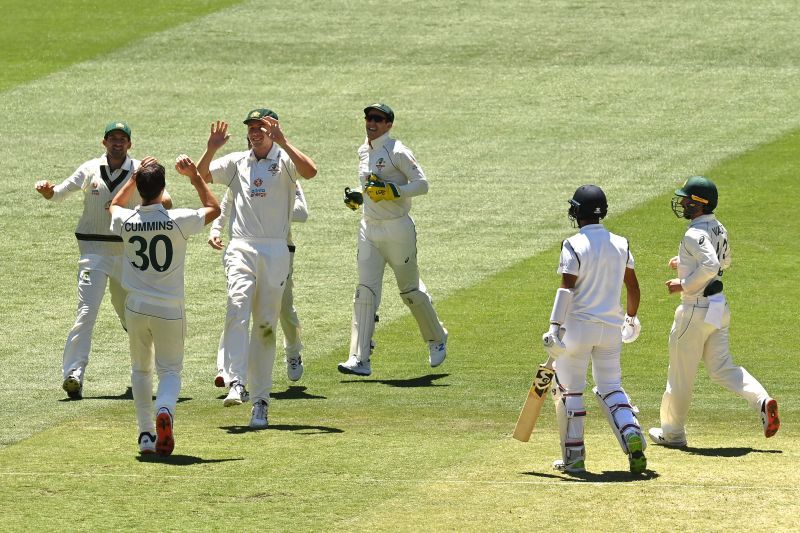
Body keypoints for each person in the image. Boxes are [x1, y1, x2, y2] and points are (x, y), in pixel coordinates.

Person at [196, 108, 317, 429]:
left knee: (265, 325)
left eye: (261, 127)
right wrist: (211, 148)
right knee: (236, 308)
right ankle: (236, 381)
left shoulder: (286, 160)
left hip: (276, 248)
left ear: (273, 129)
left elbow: (311, 171)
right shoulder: (237, 161)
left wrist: (285, 141)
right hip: (242, 246)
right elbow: (201, 175)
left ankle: (261, 401)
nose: (254, 132)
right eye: (251, 127)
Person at [34, 121, 171, 400]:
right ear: (104, 142)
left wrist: (149, 176)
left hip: (126, 255)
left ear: (129, 144)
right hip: (93, 253)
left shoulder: (140, 170)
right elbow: (59, 193)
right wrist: (48, 190)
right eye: (112, 138)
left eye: (122, 139)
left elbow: (166, 202)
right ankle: (73, 374)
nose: (117, 143)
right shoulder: (90, 169)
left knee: (132, 317)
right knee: (86, 313)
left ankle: (148, 370)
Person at [649, 176, 779, 447]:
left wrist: (682, 282)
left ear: (699, 204)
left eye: (687, 199)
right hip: (718, 308)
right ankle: (762, 401)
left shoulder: (693, 233)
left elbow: (709, 265)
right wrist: (684, 263)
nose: (682, 203)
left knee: (680, 374)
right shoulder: (718, 227)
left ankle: (672, 434)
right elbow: (724, 262)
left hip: (695, 310)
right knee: (722, 368)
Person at [109, 156, 219, 455]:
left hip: (136, 306)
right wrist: (196, 176)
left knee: (140, 371)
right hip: (169, 308)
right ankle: (166, 410)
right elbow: (214, 208)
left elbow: (113, 206)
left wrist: (132, 177)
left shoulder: (127, 220)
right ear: (163, 188)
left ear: (140, 189)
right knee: (169, 371)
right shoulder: (177, 219)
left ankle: (146, 436)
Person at [541, 184, 646, 474]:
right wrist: (631, 319)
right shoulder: (621, 243)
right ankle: (631, 433)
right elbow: (633, 286)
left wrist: (554, 328)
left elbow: (566, 290)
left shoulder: (573, 244)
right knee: (611, 387)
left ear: (577, 211)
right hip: (610, 330)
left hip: (577, 329)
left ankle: (574, 458)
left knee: (569, 390)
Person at [339, 103, 447, 376]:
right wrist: (359, 198)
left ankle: (436, 339)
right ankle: (360, 358)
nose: (371, 123)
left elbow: (422, 185)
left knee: (409, 290)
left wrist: (391, 191)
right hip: (369, 228)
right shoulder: (363, 150)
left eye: (378, 119)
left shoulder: (397, 150)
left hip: (398, 229)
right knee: (365, 292)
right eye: (368, 118)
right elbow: (372, 189)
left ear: (389, 124)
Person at [210, 182, 308, 386]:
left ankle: (293, 352)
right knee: (238, 306)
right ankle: (226, 368)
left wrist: (265, 206)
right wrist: (215, 229)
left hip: (279, 251)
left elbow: (302, 212)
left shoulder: (286, 174)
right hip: (244, 253)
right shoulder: (241, 171)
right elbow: (226, 204)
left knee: (284, 309)